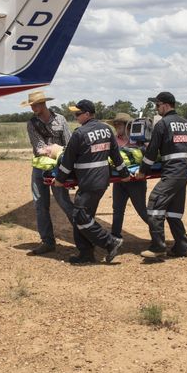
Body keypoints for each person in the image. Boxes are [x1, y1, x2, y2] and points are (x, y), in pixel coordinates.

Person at [52, 100, 128, 264]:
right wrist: (124, 173)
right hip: (102, 180)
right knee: (86, 217)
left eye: (78, 114)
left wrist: (59, 180)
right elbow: (116, 156)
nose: (76, 117)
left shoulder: (80, 133)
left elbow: (67, 162)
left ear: (87, 114)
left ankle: (110, 242)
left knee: (79, 215)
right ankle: (86, 253)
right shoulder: (106, 130)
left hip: (88, 182)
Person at [136, 92, 187, 258]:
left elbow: (152, 151)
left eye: (157, 105)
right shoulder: (186, 123)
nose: (156, 109)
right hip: (183, 172)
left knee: (155, 205)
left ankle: (158, 247)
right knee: (174, 211)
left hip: (172, 173)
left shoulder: (163, 124)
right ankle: (182, 246)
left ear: (166, 105)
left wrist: (142, 172)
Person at [22, 90, 75, 255]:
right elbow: (39, 149)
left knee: (64, 202)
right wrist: (56, 150)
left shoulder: (60, 119)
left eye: (35, 104)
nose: (33, 108)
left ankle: (84, 235)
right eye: (31, 105)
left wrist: (54, 151)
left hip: (58, 169)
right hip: (40, 168)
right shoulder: (32, 124)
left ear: (43, 103)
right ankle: (47, 241)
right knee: (40, 204)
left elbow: (70, 144)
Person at [107, 112, 148, 238]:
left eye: (118, 125)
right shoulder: (113, 140)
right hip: (119, 181)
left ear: (127, 126)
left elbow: (147, 156)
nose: (116, 127)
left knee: (141, 210)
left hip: (136, 181)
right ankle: (115, 237)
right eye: (114, 125)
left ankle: (158, 234)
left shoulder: (139, 140)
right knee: (117, 210)